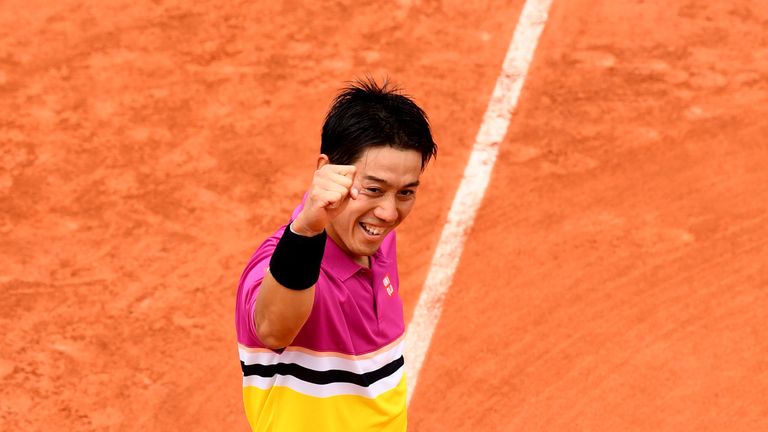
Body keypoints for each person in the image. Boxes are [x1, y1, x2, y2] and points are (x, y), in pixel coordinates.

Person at [234, 78, 437, 431]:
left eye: (406, 192)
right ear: (327, 170)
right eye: (373, 189)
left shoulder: (373, 238)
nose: (389, 213)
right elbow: (271, 329)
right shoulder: (283, 265)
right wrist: (307, 230)